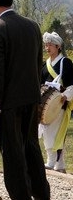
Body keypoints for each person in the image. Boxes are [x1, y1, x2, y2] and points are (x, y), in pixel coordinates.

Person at [0, 0, 50, 200]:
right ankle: (41, 192)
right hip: (31, 97)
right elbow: (38, 63)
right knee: (31, 147)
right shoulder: (33, 26)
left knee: (12, 153)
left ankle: (20, 195)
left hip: (8, 102)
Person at [39, 31, 73, 173]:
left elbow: (71, 83)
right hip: (47, 104)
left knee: (57, 133)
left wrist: (66, 95)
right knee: (47, 132)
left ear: (58, 46)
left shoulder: (65, 62)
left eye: (50, 45)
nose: (47, 48)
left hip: (59, 103)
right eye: (46, 45)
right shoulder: (44, 64)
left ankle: (56, 163)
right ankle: (55, 163)